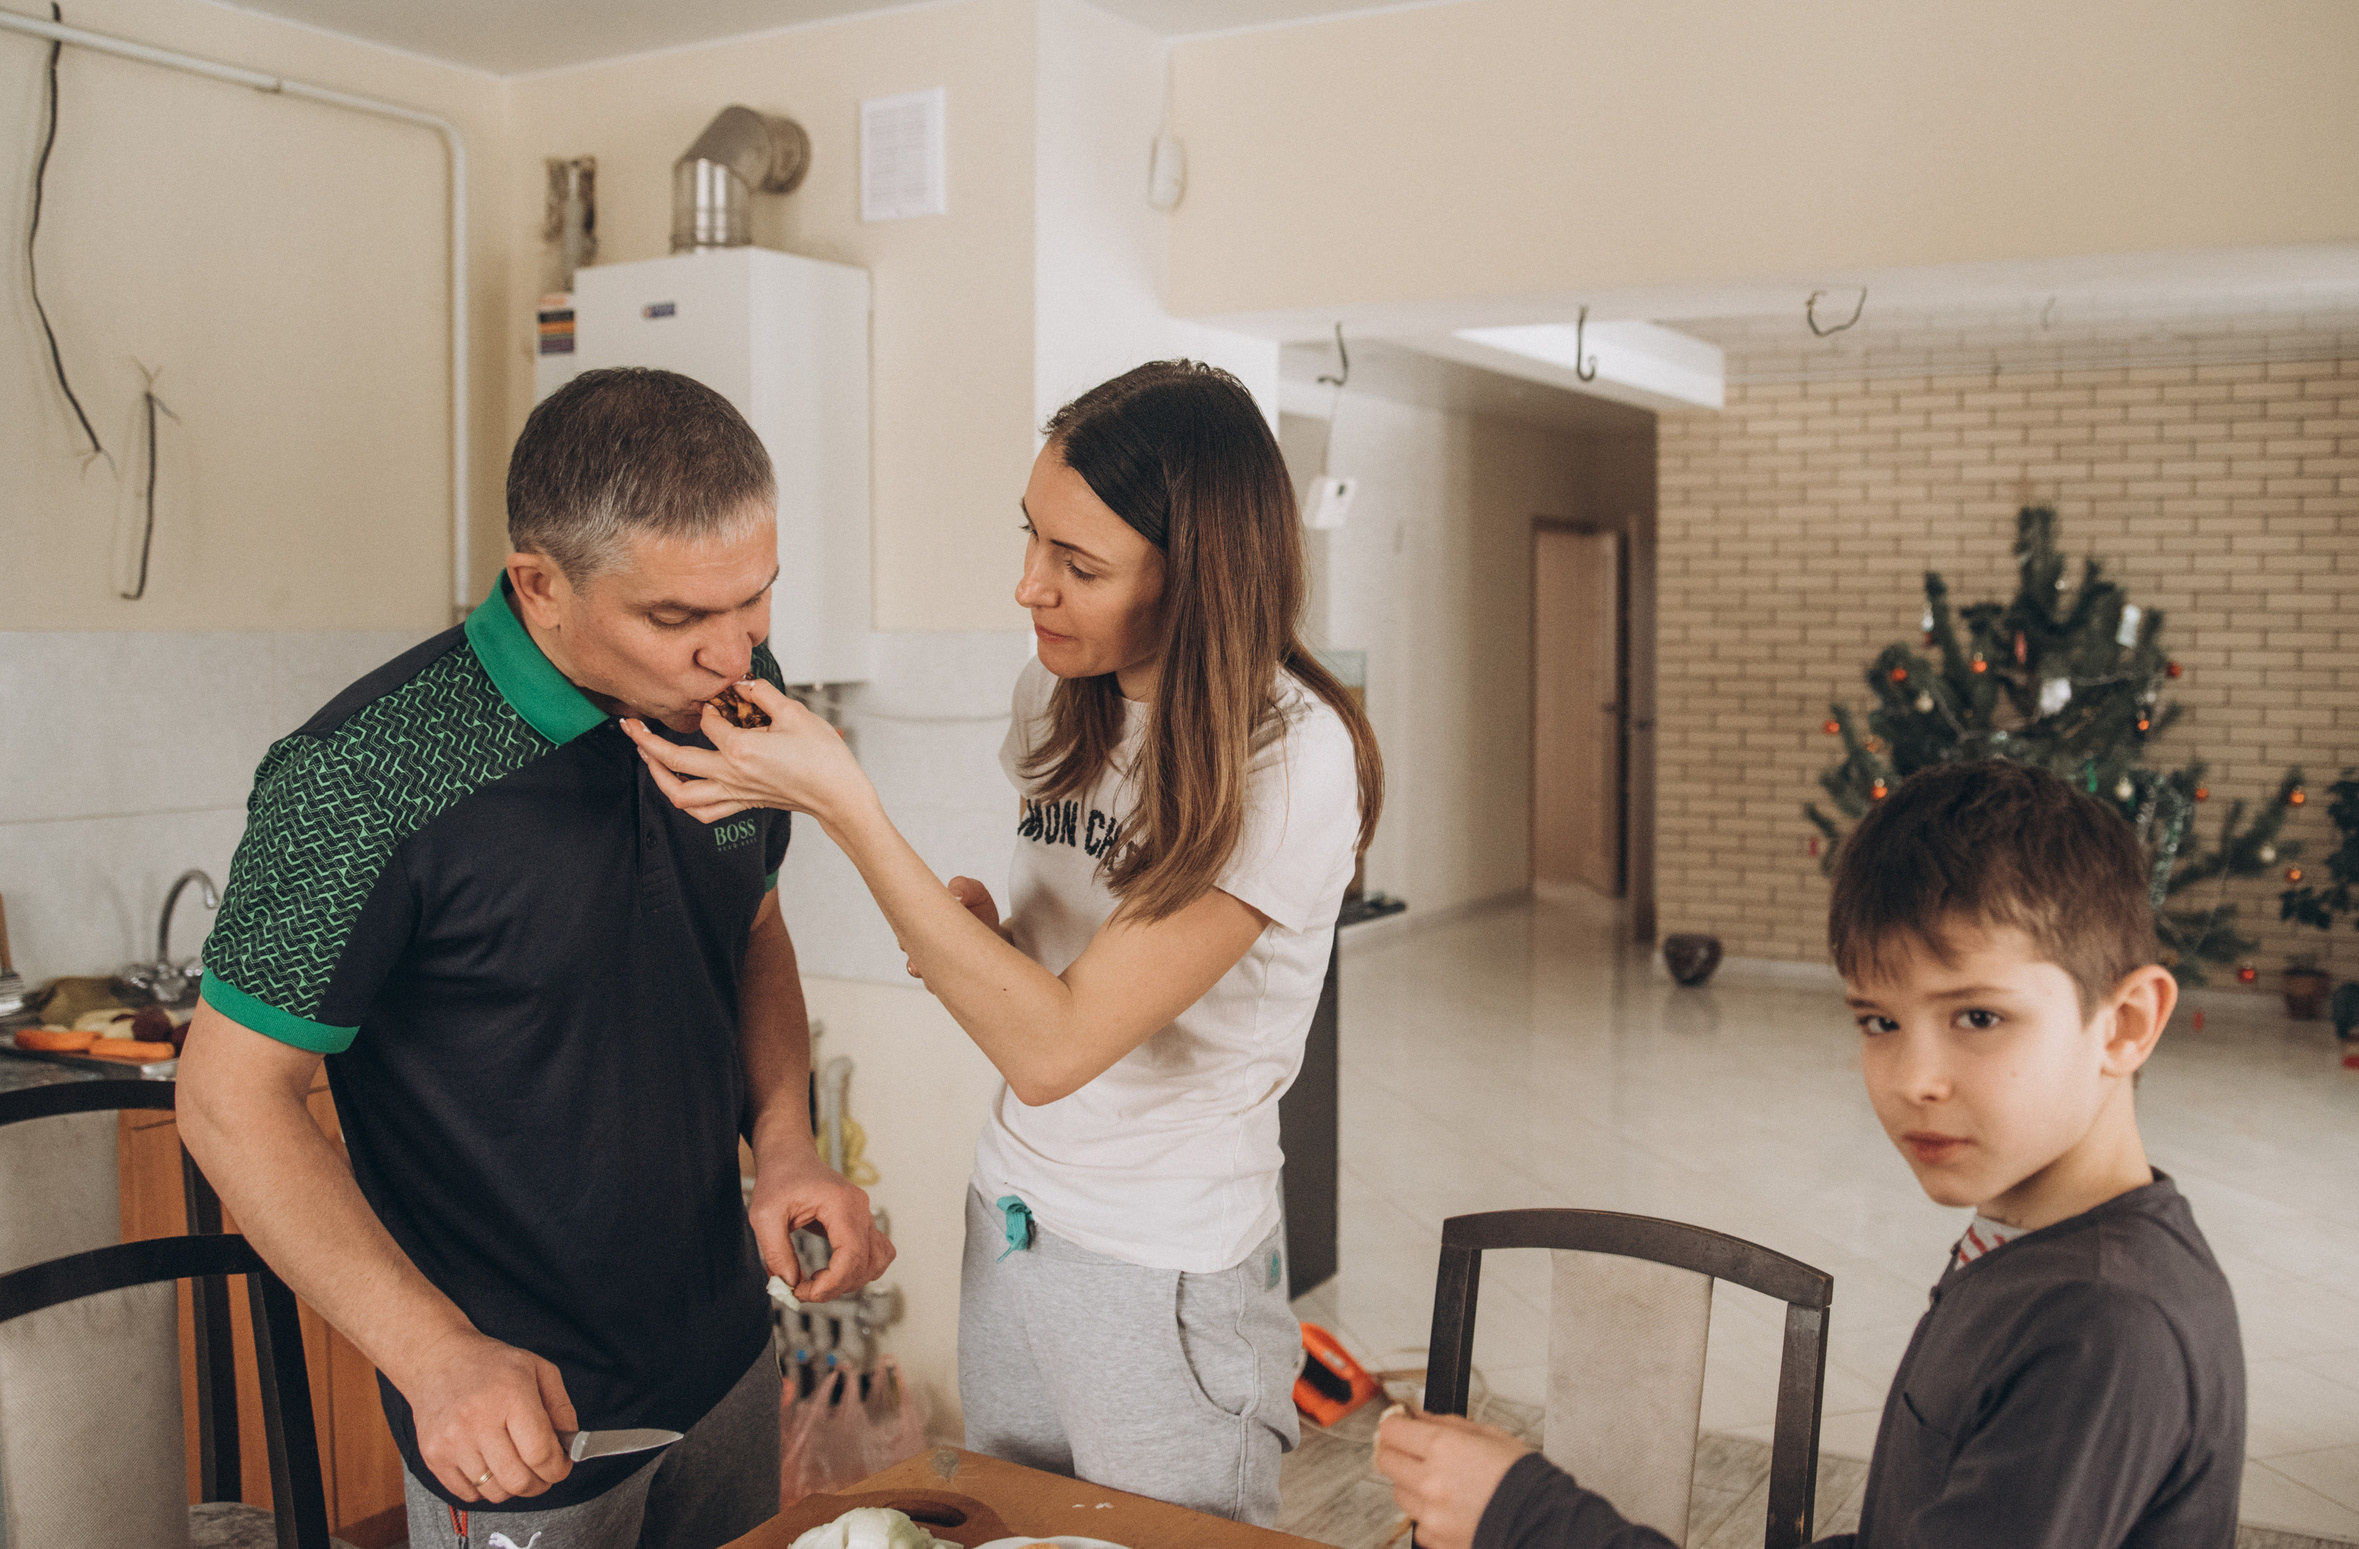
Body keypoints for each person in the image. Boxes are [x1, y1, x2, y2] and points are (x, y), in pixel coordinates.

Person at [625, 359, 1383, 1526]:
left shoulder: (1288, 756)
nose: (1030, 586)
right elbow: (1056, 970)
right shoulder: (1060, 691)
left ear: (1200, 578)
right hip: (1014, 1217)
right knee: (1009, 1526)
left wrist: (844, 800)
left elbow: (1056, 1044)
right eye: (1033, 537)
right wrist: (987, 938)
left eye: (1079, 566)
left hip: (1164, 1263)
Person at [177, 369, 892, 1549]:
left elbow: (751, 926)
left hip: (724, 1356)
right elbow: (222, 1098)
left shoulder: (736, 692)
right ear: (540, 585)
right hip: (519, 1414)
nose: (733, 654)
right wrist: (432, 1354)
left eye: (755, 600)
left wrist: (785, 1145)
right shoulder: (361, 775)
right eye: (676, 618)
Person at [1376, 758, 2245, 1549]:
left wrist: (1520, 1516)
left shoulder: (2104, 1330)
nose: (1915, 1078)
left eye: (1978, 1016)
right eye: (1880, 1021)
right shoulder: (2033, 1240)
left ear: (2125, 1024)